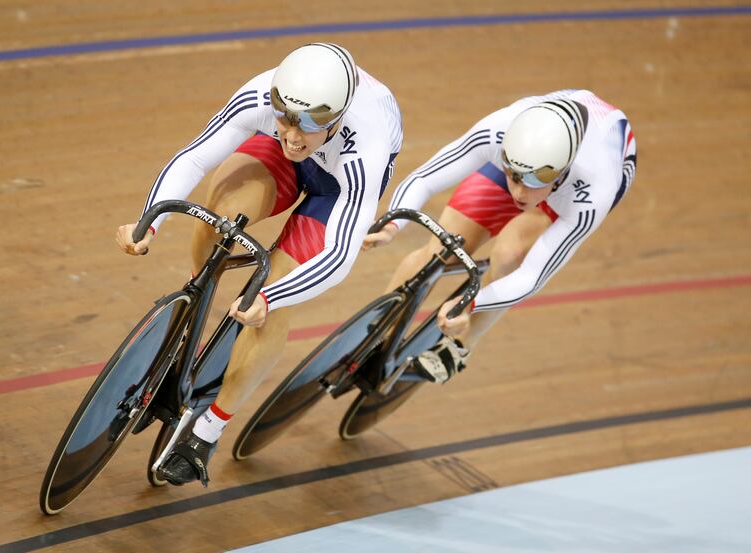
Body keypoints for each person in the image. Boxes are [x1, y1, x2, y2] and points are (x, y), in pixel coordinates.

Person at [115, 43, 402, 486]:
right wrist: (149, 221)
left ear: (338, 118)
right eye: (285, 115)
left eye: (309, 124)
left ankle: (207, 432)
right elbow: (196, 155)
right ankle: (197, 298)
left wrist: (271, 295)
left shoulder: (367, 145)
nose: (292, 133)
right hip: (285, 168)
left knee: (274, 300)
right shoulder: (261, 96)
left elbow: (340, 254)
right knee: (221, 212)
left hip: (335, 187)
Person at [363, 90, 636, 383]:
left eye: (533, 182)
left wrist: (471, 303)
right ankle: (372, 333)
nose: (519, 192)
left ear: (560, 172)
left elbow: (532, 276)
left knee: (510, 257)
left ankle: (460, 346)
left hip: (582, 184)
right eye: (514, 176)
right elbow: (424, 178)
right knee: (443, 247)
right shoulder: (498, 130)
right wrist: (393, 226)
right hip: (541, 160)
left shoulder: (594, 189)